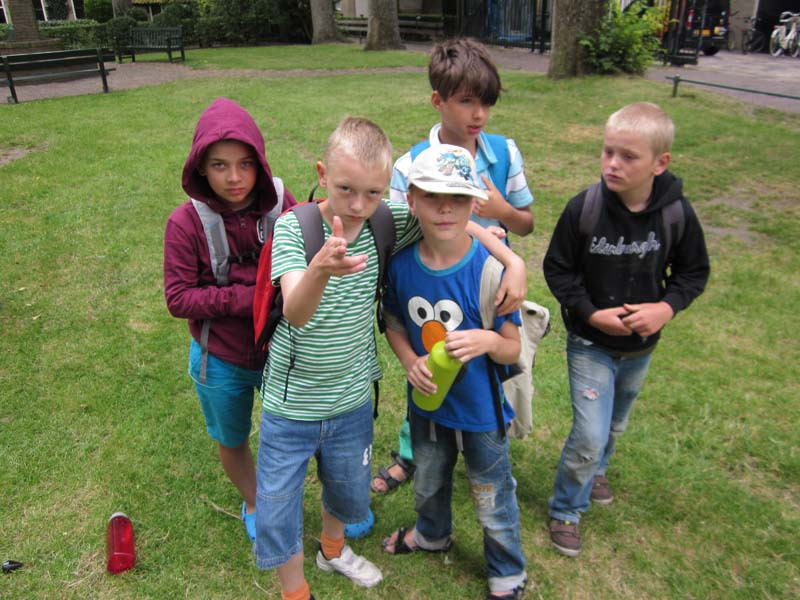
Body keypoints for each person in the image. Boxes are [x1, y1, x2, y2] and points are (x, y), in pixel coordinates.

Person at [254, 117, 527, 600]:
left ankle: (333, 550)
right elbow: (295, 312)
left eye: (373, 193)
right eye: (345, 189)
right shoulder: (296, 228)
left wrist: (513, 261)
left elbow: (453, 221)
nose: (358, 206)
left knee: (346, 489)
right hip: (292, 402)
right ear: (322, 174)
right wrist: (321, 269)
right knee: (277, 505)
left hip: (353, 398)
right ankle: (294, 592)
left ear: (388, 191)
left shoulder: (387, 219)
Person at [544, 102, 710, 557]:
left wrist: (665, 309)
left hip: (641, 348)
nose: (613, 164)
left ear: (660, 163)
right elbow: (558, 269)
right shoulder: (585, 208)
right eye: (608, 151)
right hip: (589, 343)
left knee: (615, 425)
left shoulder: (676, 214)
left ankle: (597, 469)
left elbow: (693, 272)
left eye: (628, 156)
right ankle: (566, 509)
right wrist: (589, 313)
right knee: (590, 433)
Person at [374, 36, 535, 495]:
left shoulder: (504, 153)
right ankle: (414, 452)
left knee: (489, 369)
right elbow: (405, 230)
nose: (478, 114)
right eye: (466, 102)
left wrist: (503, 220)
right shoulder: (410, 166)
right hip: (429, 283)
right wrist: (507, 254)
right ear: (438, 101)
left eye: (487, 102)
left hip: (485, 288)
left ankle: (489, 446)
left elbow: (525, 223)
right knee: (428, 364)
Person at [380, 144, 528, 600]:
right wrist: (409, 361)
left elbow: (512, 347)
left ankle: (507, 571)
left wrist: (487, 340)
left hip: (482, 413)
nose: (445, 208)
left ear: (475, 204)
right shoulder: (401, 266)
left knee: (491, 494)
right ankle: (432, 534)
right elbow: (394, 323)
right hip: (427, 406)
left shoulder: (491, 271)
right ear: (411, 200)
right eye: (432, 196)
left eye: (458, 198)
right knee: (428, 481)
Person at [164, 97, 298, 542]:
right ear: (201, 168)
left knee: (300, 429)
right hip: (219, 357)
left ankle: (326, 502)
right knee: (232, 436)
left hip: (282, 350)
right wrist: (249, 298)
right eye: (219, 165)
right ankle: (256, 501)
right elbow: (179, 298)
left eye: (245, 164)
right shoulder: (184, 223)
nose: (235, 177)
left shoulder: (281, 205)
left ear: (260, 162)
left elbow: (308, 255)